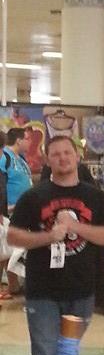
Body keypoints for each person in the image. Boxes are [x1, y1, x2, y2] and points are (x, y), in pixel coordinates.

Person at [7, 134, 104, 355]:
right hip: (42, 291)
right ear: (47, 160)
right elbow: (14, 237)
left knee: (69, 353)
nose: (62, 158)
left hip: (82, 291)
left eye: (67, 153)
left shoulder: (95, 197)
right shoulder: (34, 197)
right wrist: (48, 237)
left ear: (77, 156)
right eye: (55, 154)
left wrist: (75, 228)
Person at [0, 126, 34, 297]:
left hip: (23, 210)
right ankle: (9, 285)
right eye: (27, 139)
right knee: (6, 248)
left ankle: (13, 284)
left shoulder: (20, 159)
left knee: (13, 249)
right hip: (8, 211)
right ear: (19, 140)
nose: (30, 142)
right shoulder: (4, 157)